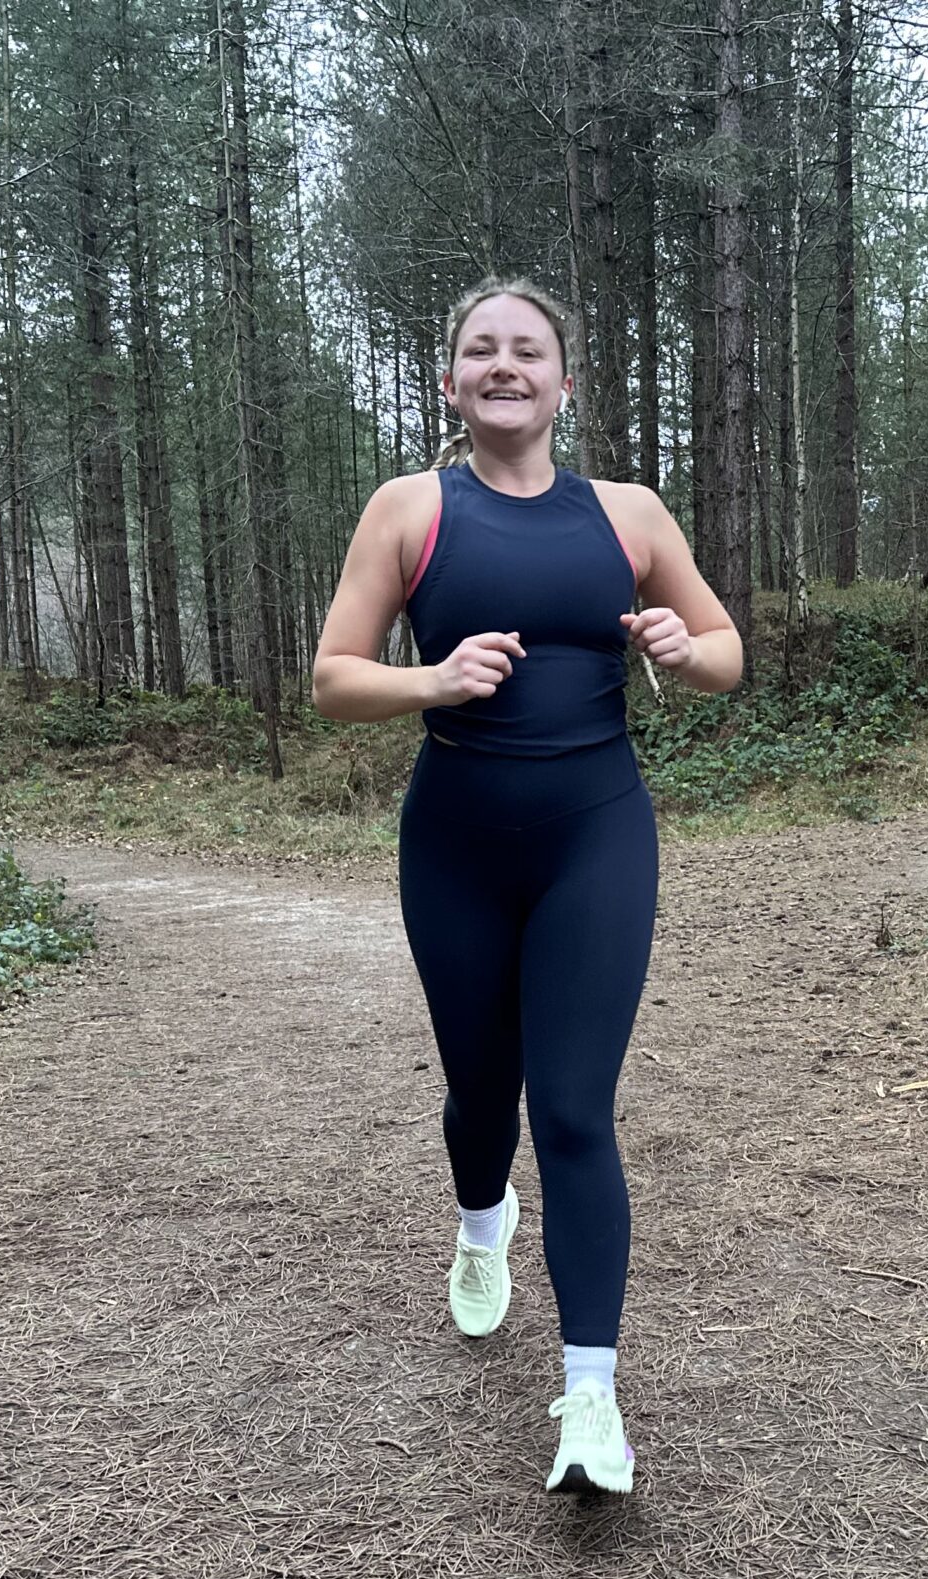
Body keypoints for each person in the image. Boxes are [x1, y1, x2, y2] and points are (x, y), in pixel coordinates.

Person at [312, 277, 742, 1495]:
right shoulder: (409, 510)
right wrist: (433, 683)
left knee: (573, 1110)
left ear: (565, 382)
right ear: (450, 382)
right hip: (452, 839)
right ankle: (480, 1220)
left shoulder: (629, 515)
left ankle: (590, 1400)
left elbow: (725, 656)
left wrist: (677, 646)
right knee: (479, 1096)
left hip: (594, 835)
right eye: (480, 351)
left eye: (530, 351)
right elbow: (334, 678)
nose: (506, 366)